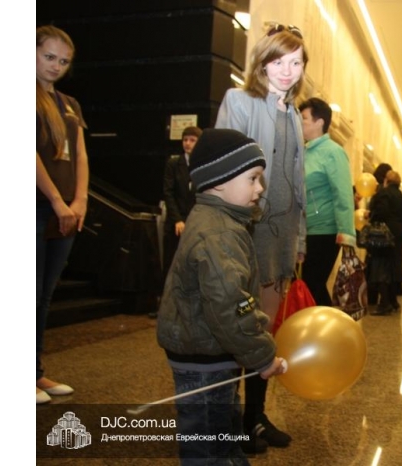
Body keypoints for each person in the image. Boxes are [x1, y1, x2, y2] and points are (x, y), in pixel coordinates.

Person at [157, 129, 287, 465]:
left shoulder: (219, 220)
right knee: (208, 443)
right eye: (253, 178)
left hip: (209, 348)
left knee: (224, 429)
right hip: (203, 356)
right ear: (218, 182)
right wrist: (262, 355)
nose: (260, 188)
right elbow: (233, 305)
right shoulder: (218, 233)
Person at [214, 22, 307, 451]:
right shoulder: (240, 100)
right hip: (247, 228)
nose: (287, 70)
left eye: (296, 62)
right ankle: (227, 417)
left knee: (264, 329)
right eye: (278, 61)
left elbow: (298, 185)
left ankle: (255, 416)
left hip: (281, 233)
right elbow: (223, 167)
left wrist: (299, 239)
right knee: (238, 324)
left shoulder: (294, 113)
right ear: (262, 63)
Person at [36, 25, 89, 405]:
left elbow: (81, 154)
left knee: (44, 296)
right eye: (48, 56)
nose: (56, 66)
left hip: (67, 210)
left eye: (64, 61)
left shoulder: (69, 103)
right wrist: (56, 200)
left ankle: (35, 371)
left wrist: (80, 200)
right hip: (37, 205)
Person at [299, 97, 356, 306]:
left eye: (304, 118)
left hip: (324, 231)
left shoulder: (333, 152)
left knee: (312, 284)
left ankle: (328, 323)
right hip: (304, 230)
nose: (300, 123)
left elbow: (343, 194)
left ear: (319, 122)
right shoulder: (304, 151)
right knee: (304, 284)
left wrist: (346, 234)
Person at [366, 171, 402, 315]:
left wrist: (370, 215)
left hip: (384, 234)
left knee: (381, 266)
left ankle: (384, 303)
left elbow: (380, 212)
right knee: (394, 265)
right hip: (399, 233)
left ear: (386, 180)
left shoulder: (383, 193)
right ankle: (393, 301)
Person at [162, 126, 202, 278]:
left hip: (196, 222)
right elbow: (168, 193)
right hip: (176, 223)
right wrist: (177, 219)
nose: (187, 143)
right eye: (185, 140)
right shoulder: (173, 164)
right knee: (172, 265)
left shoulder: (202, 165)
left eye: (192, 140)